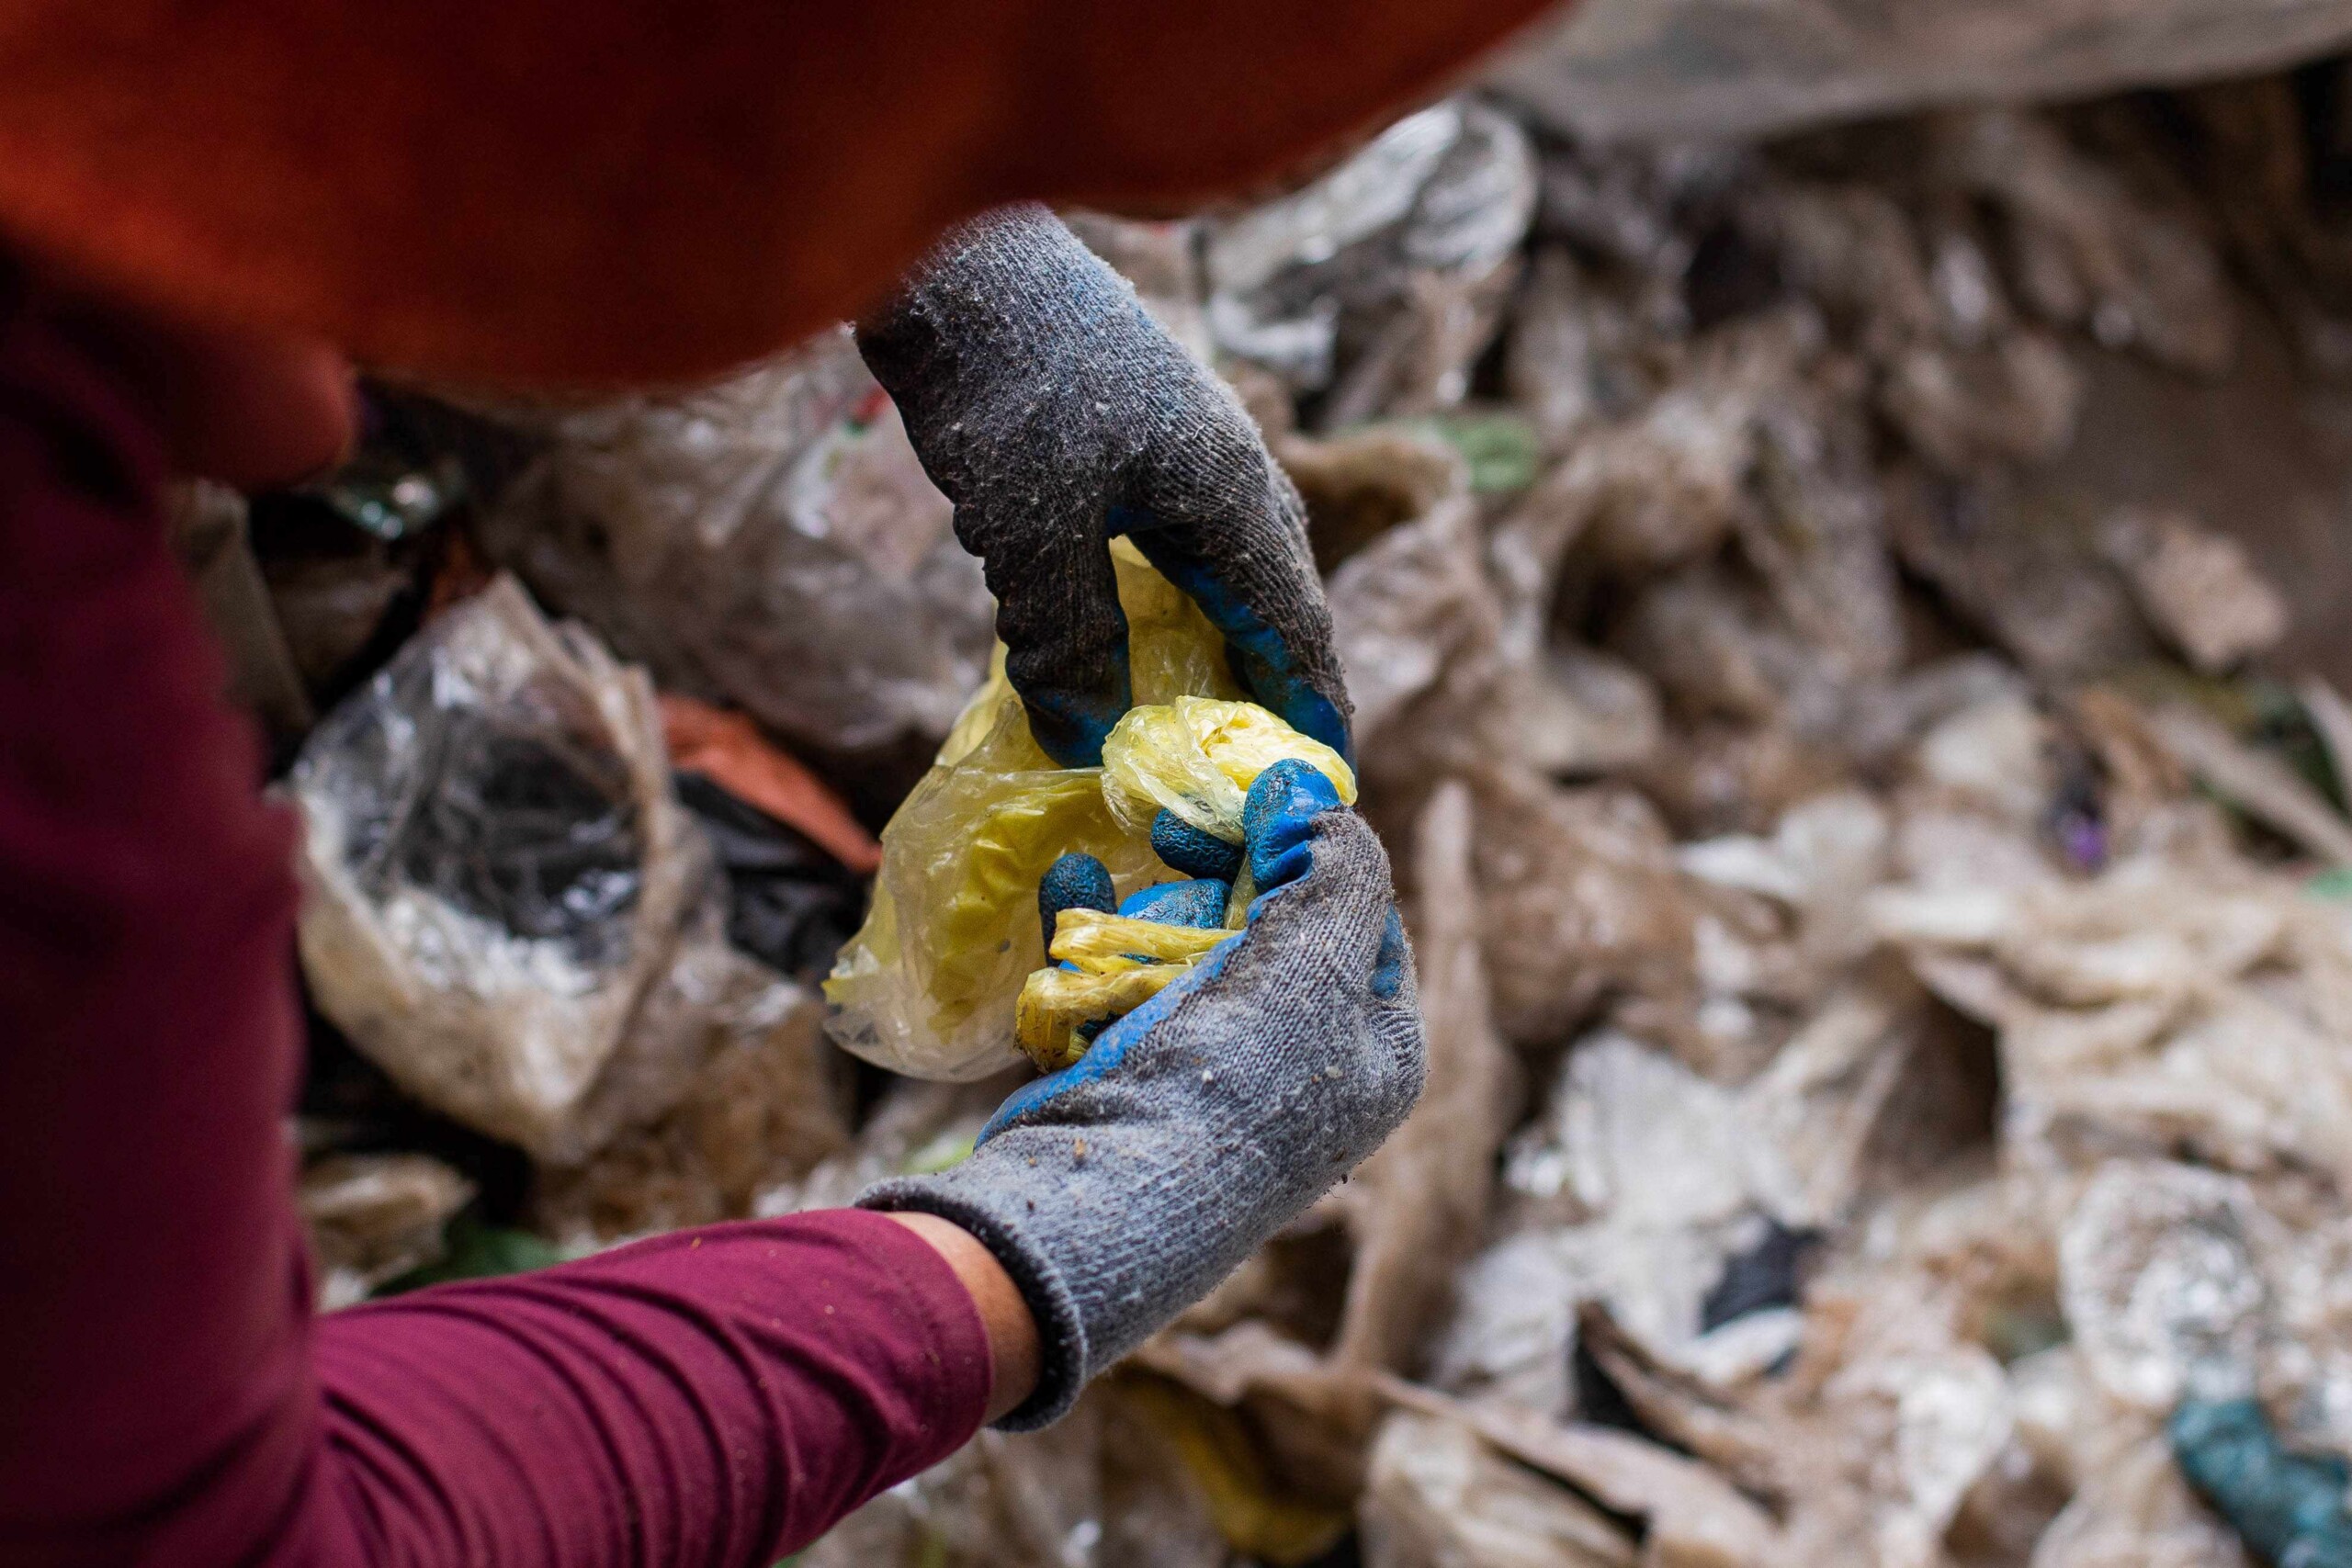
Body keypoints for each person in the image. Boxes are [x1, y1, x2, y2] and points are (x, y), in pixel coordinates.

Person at [0, 5, 1557, 1562]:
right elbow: (236, 1537)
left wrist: (935, 257)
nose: (327, 410)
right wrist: (1028, 1260)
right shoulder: (54, 704)